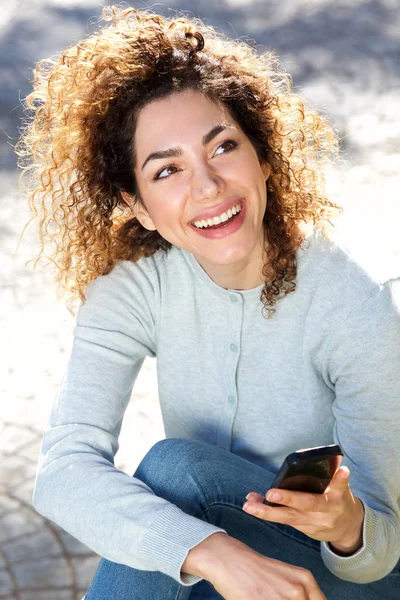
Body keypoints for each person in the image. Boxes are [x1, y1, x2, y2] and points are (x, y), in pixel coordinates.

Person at [17, 6, 400, 600]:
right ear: (139, 205)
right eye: (166, 171)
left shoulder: (353, 309)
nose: (206, 186)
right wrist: (209, 552)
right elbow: (64, 470)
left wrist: (347, 527)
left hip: (355, 579)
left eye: (222, 147)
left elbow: (381, 554)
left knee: (175, 474)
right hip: (237, 564)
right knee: (170, 527)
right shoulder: (139, 282)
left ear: (264, 159)